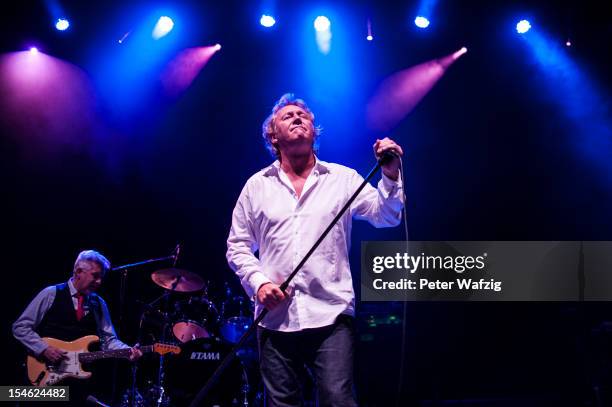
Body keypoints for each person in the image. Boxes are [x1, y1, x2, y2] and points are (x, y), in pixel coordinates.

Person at [226, 93, 405, 406]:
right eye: (288, 116)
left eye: (303, 115)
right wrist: (260, 283)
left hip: (331, 315)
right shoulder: (257, 186)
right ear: (273, 135)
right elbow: (238, 246)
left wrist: (390, 174)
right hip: (275, 320)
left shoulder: (342, 179)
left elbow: (387, 215)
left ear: (313, 129)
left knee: (338, 400)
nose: (297, 118)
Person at [12, 250, 142, 402]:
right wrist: (44, 348)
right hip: (43, 377)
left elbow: (109, 340)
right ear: (79, 271)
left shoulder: (99, 304)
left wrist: (128, 351)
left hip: (77, 385)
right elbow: (20, 327)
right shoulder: (51, 293)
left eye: (102, 277)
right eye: (95, 275)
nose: (99, 282)